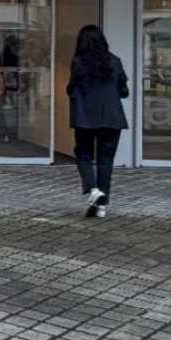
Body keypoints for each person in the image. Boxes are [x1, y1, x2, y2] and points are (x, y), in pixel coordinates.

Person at [66, 25, 129, 219]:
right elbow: (124, 91)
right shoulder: (115, 61)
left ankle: (94, 190)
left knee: (83, 155)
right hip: (112, 116)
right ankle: (102, 206)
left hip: (85, 117)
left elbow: (71, 88)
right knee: (105, 160)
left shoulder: (78, 63)